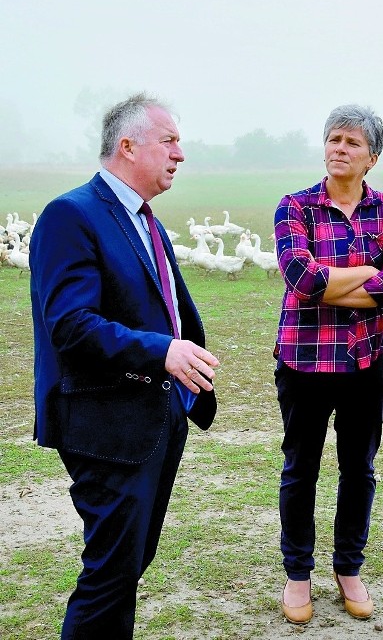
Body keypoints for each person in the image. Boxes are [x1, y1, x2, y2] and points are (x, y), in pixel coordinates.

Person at [29, 93, 220, 638]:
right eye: (170, 141)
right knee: (110, 576)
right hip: (104, 427)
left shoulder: (145, 220)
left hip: (153, 418)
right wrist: (162, 351)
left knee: (127, 566)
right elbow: (70, 325)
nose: (180, 154)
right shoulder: (72, 214)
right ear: (127, 145)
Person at [273, 104, 383, 625]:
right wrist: (368, 276)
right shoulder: (294, 207)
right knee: (300, 468)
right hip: (304, 359)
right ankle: (298, 574)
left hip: (368, 360)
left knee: (359, 467)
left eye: (353, 143)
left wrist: (339, 283)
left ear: (372, 157)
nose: (340, 149)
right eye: (334, 139)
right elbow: (301, 281)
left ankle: (348, 567)